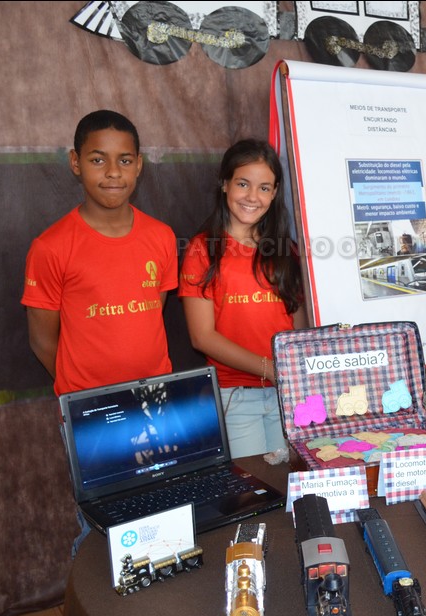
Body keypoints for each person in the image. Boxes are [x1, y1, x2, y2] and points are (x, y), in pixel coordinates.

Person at [21, 109, 178, 554]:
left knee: (161, 518)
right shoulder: (51, 247)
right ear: (75, 163)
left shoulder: (161, 237)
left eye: (124, 160)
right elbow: (42, 339)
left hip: (155, 402)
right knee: (104, 531)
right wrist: (86, 395)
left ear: (139, 165)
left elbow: (152, 310)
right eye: (97, 160)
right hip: (91, 412)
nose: (113, 172)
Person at [179, 139, 304, 459]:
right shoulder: (202, 250)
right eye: (243, 184)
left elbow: (298, 323)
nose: (252, 196)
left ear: (275, 193)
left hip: (288, 394)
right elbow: (202, 336)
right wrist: (268, 368)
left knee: (293, 480)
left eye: (264, 188)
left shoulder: (286, 251)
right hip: (235, 397)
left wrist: (291, 373)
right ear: (225, 184)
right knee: (254, 484)